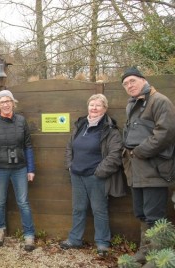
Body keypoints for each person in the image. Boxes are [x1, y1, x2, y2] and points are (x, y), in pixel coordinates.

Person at [121, 67, 175, 264]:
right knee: (142, 213)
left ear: (144, 80)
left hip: (154, 168)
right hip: (135, 169)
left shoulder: (160, 101)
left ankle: (158, 258)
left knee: (155, 217)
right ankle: (145, 252)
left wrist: (140, 151)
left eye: (132, 81)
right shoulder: (132, 104)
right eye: (125, 84)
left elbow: (166, 132)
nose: (129, 85)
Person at [60, 94, 124, 257]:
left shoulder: (110, 129)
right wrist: (70, 166)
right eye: (91, 105)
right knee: (78, 209)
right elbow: (69, 147)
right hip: (77, 175)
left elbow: (115, 155)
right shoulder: (80, 125)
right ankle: (75, 240)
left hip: (96, 177)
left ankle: (102, 243)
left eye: (98, 105)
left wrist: (99, 172)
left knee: (99, 210)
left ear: (105, 108)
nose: (94, 108)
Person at [0, 89, 36, 252]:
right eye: (2, 102)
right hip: (0, 169)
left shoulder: (21, 121)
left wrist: (31, 168)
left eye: (8, 101)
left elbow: (28, 146)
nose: (5, 104)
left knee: (23, 202)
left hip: (20, 168)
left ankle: (29, 234)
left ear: (13, 103)